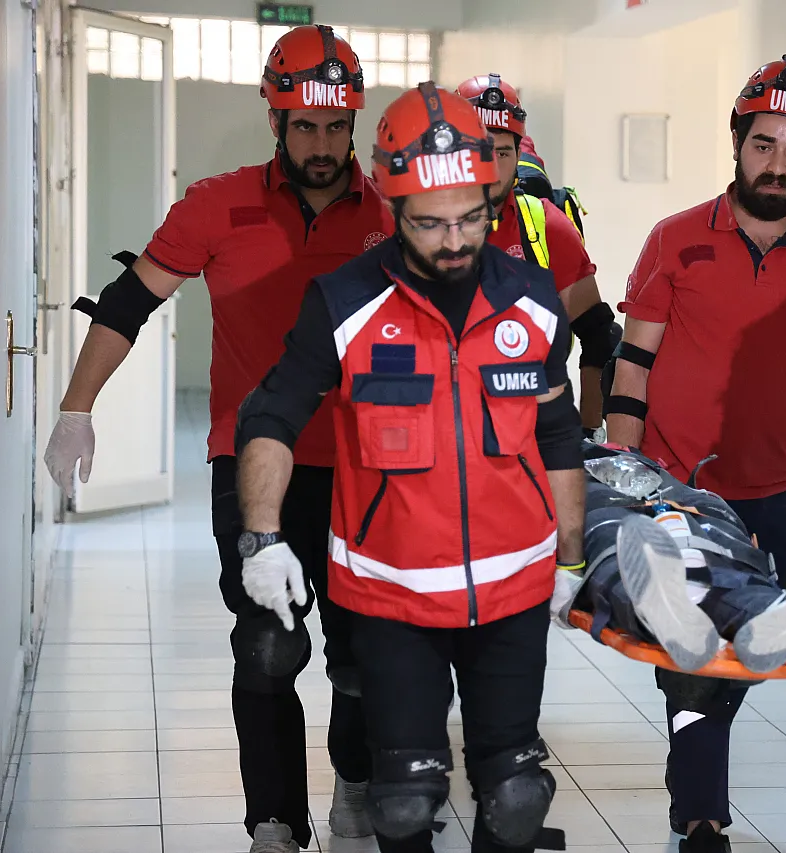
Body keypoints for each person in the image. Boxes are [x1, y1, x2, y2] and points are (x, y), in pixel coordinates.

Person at [42, 25, 391, 853]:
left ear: (355, 120)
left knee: (364, 651)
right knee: (268, 647)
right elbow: (129, 302)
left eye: (337, 126)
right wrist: (76, 406)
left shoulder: (389, 211)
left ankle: (356, 779)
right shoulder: (218, 203)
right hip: (251, 464)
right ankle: (273, 819)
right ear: (275, 119)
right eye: (304, 126)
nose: (322, 143)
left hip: (366, 467)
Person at [232, 81, 587, 853]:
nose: (455, 239)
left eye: (470, 216)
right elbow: (270, 415)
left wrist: (572, 556)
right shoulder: (345, 302)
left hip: (513, 592)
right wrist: (262, 536)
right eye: (430, 223)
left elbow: (557, 435)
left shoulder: (533, 303)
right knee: (403, 800)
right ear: (393, 209)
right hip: (390, 600)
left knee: (517, 795)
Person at [603, 54, 786, 851]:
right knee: (695, 661)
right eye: (764, 143)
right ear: (737, 142)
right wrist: (624, 478)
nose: (778, 163)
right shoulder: (677, 240)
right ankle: (701, 819)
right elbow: (633, 367)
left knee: (784, 649)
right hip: (685, 486)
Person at [550, 440, 786, 676]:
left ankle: (767, 615)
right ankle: (758, 608)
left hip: (666, 500)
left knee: (708, 542)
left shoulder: (570, 449)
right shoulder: (544, 459)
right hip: (610, 507)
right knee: (630, 547)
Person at [457, 73, 614, 432]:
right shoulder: (415, 226)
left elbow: (598, 334)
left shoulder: (545, 225)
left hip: (534, 439)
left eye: (502, 153)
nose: (492, 168)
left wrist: (590, 435)